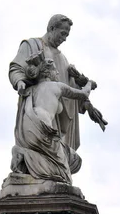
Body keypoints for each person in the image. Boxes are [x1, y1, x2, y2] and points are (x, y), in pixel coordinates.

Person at [9, 14, 107, 169]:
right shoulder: (32, 45)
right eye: (63, 33)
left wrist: (88, 107)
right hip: (36, 109)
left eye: (67, 35)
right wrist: (19, 81)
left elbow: (71, 90)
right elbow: (16, 67)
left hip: (59, 118)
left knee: (56, 161)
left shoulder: (63, 60)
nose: (65, 38)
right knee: (44, 154)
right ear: (51, 28)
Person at [11, 55, 92, 184]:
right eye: (55, 70)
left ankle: (23, 153)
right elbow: (83, 94)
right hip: (43, 125)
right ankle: (25, 155)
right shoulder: (57, 86)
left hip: (28, 123)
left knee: (47, 156)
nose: (58, 72)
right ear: (47, 72)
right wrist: (89, 83)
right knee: (63, 172)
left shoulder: (31, 89)